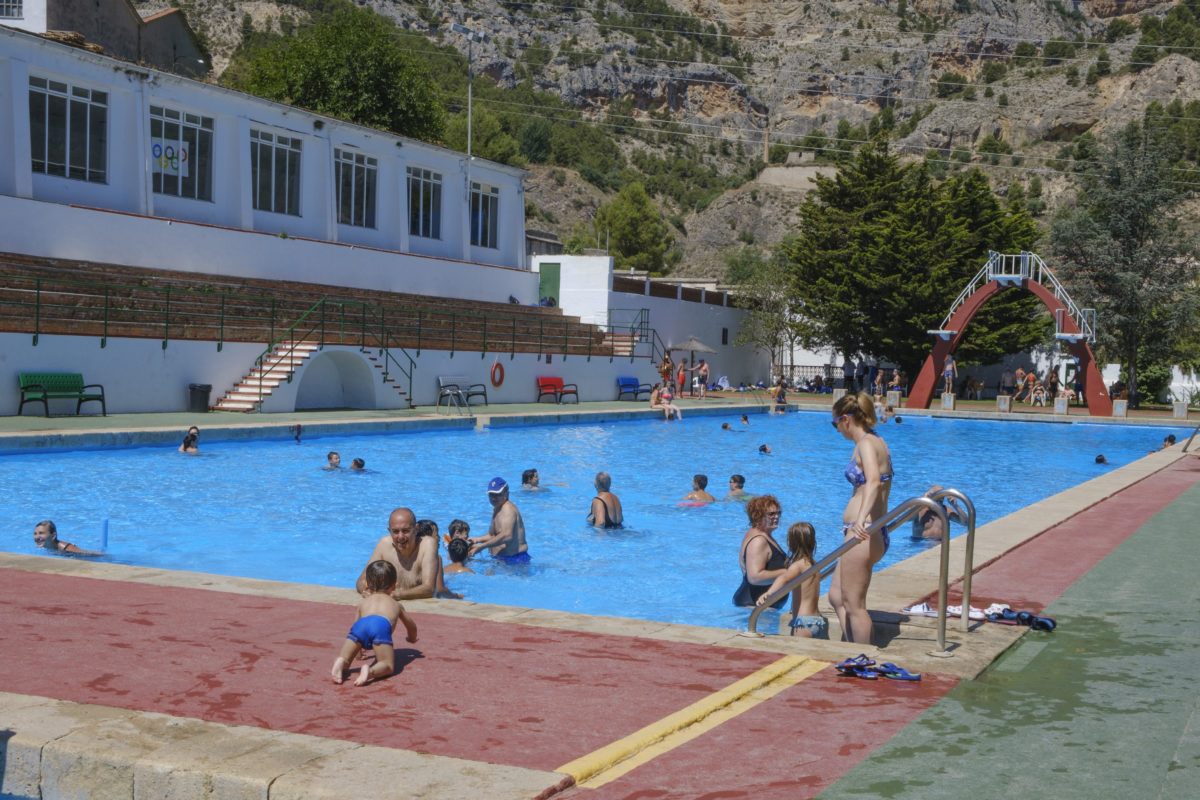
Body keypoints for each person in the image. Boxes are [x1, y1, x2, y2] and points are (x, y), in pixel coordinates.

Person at [829, 391, 893, 645]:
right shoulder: (875, 441)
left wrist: (860, 520)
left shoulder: (866, 443)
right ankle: (852, 649)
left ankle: (863, 658)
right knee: (836, 596)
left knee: (855, 604)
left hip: (863, 531)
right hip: (868, 530)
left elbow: (874, 482)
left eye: (835, 424)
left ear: (846, 419)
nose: (837, 430)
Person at [331, 560, 417, 686]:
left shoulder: (362, 603)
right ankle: (370, 671)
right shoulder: (396, 605)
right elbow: (411, 626)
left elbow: (355, 627)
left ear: (366, 585)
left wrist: (358, 652)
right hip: (380, 626)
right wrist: (412, 638)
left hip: (360, 627)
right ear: (394, 586)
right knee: (387, 665)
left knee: (346, 658)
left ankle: (341, 662)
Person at [757, 522, 828, 639]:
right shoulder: (813, 565)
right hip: (817, 620)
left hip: (803, 623)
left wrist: (769, 593)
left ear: (791, 543)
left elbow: (783, 578)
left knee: (798, 656)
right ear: (812, 542)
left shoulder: (798, 565)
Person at [356, 508, 439, 600]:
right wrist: (366, 592)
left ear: (416, 529)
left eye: (405, 531)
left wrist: (396, 595)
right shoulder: (384, 544)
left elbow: (429, 589)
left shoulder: (427, 545)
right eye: (395, 531)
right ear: (389, 531)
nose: (400, 537)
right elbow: (361, 580)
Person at [732, 495, 789, 608]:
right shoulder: (758, 541)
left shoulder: (764, 535)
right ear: (757, 516)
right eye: (771, 514)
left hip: (760, 606)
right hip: (754, 606)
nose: (776, 516)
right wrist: (789, 573)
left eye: (778, 513)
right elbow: (754, 577)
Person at [468, 477, 530, 563]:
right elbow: (492, 535)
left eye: (497, 494)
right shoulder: (496, 508)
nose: (493, 498)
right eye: (491, 494)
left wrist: (482, 546)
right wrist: (475, 540)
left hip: (514, 560)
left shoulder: (508, 509)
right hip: (500, 559)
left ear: (507, 494)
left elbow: (507, 536)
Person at [416, 520, 461, 599]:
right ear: (428, 539)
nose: (439, 538)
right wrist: (457, 596)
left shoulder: (412, 555)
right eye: (436, 535)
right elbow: (440, 589)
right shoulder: (436, 557)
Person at [33, 520, 103, 556]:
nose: (37, 537)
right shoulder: (46, 546)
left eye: (41, 533)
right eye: (35, 534)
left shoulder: (68, 549)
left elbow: (87, 554)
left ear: (53, 536)